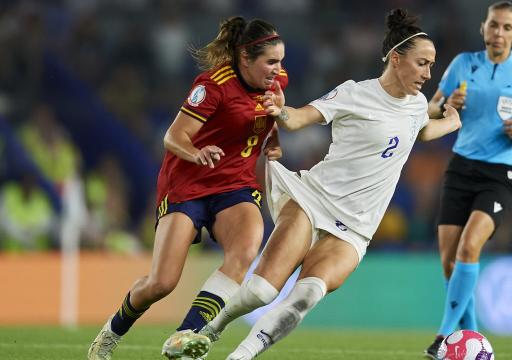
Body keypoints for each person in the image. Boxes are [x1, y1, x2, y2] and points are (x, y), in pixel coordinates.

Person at [189, 9, 462, 360]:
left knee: (305, 297)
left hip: (355, 228)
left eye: (431, 64)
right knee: (260, 291)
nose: (428, 73)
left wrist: (451, 123)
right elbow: (299, 118)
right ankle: (211, 329)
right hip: (313, 201)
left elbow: (421, 130)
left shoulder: (417, 105)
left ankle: (238, 357)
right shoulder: (355, 94)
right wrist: (280, 111)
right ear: (396, 59)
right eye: (422, 63)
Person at [88, 16, 288, 360]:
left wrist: (274, 140)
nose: (278, 69)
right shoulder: (212, 85)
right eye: (271, 61)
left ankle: (185, 335)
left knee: (243, 252)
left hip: (235, 185)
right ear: (244, 59)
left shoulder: (276, 82)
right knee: (161, 283)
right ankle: (109, 334)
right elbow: (173, 136)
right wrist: (196, 153)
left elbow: (263, 118)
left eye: (280, 61)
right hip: (188, 184)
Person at [423, 2, 512, 358]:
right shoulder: (462, 65)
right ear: (483, 28)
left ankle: (442, 337)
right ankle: (472, 341)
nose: (498, 32)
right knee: (450, 263)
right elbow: (430, 109)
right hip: (461, 167)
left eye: (506, 27)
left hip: (502, 173)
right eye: (493, 25)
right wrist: (446, 104)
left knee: (470, 246)